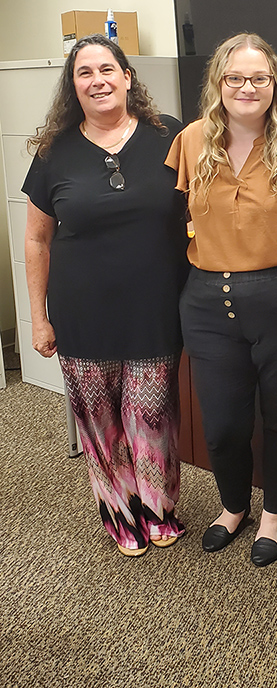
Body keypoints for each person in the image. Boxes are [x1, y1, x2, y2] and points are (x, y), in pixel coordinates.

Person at [23, 34, 189, 557]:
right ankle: (120, 515)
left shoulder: (172, 136)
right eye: (84, 73)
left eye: (106, 69)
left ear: (127, 77)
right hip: (82, 311)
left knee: (152, 415)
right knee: (98, 420)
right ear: (73, 86)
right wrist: (38, 318)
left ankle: (158, 509)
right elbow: (36, 239)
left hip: (155, 308)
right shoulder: (55, 153)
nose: (97, 80)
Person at [166, 33, 277, 567]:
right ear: (218, 84)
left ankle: (274, 515)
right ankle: (233, 507)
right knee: (224, 422)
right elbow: (170, 216)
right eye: (234, 77)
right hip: (208, 301)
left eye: (258, 77)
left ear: (273, 84)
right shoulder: (190, 140)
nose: (246, 87)